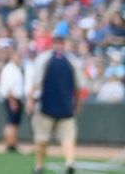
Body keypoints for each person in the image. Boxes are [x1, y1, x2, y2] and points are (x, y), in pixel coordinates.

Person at [27, 25, 83, 174]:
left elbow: (36, 83)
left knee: (43, 138)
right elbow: (78, 86)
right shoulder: (71, 61)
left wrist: (31, 101)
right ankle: (68, 163)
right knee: (65, 138)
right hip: (64, 106)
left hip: (48, 106)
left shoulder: (45, 59)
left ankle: (40, 166)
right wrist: (77, 103)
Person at [0, 46, 24, 153]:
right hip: (12, 98)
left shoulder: (14, 68)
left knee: (14, 123)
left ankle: (13, 144)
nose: (19, 58)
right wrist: (12, 101)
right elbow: (9, 87)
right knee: (11, 122)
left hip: (14, 98)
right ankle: (9, 145)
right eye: (17, 56)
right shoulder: (10, 69)